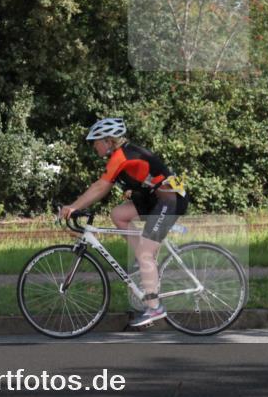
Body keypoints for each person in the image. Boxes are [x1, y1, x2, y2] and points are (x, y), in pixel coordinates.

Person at [59, 117, 188, 327]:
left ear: (109, 141)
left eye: (96, 141)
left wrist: (74, 207)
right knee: (119, 214)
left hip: (170, 200)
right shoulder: (122, 155)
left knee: (145, 252)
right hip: (155, 199)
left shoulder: (122, 156)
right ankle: (145, 265)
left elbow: (101, 187)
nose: (94, 145)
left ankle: (155, 308)